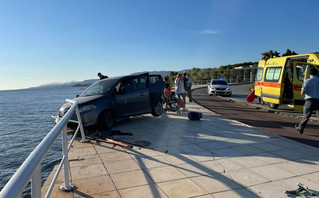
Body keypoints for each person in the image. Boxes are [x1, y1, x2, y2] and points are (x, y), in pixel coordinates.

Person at [295, 68, 319, 134]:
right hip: (318, 101)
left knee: (306, 116)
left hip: (309, 101)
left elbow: (302, 92)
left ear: (309, 74)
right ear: (316, 73)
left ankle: (300, 128)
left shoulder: (307, 81)